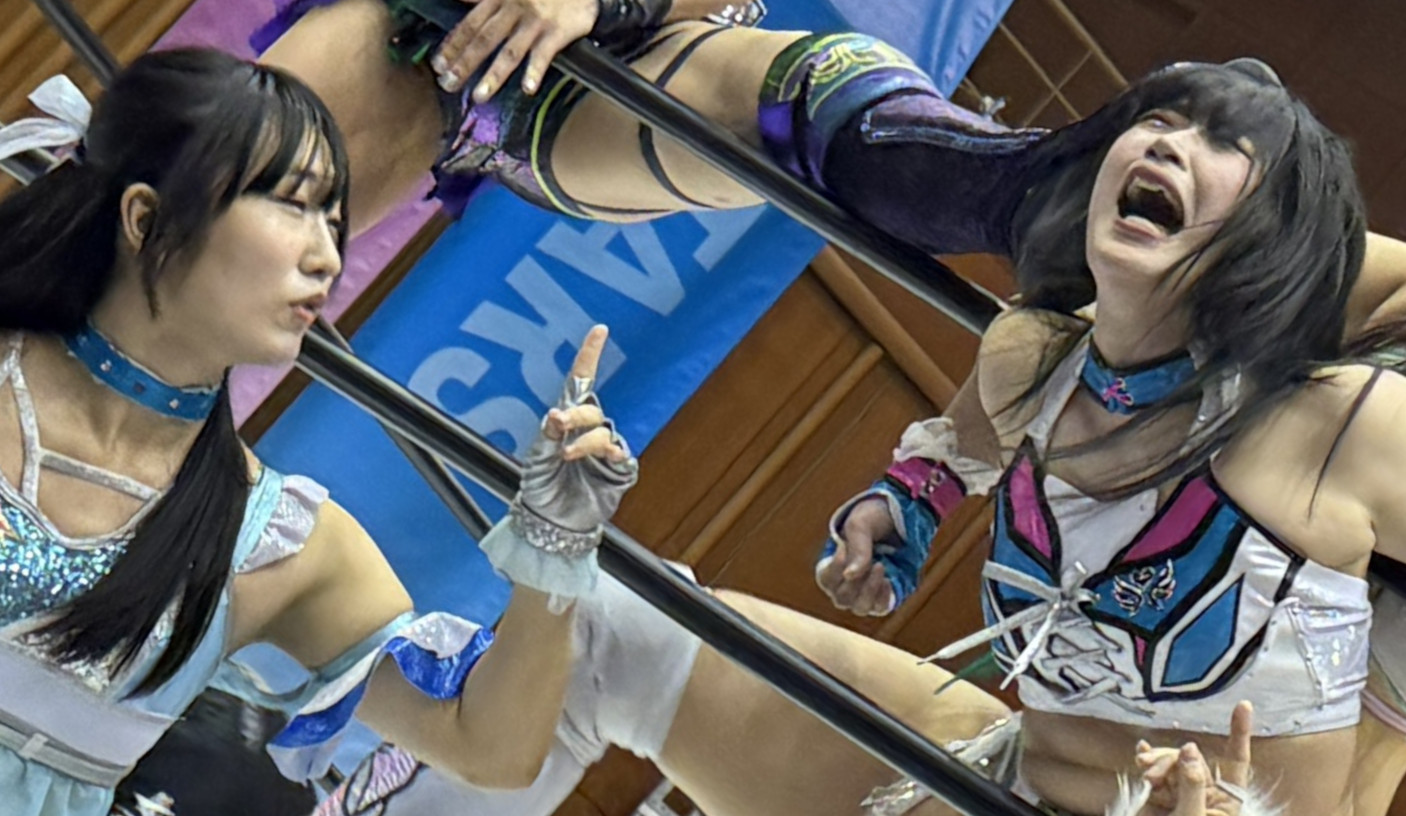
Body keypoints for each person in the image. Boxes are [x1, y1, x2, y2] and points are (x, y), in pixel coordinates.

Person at [0, 49, 640, 816]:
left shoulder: (277, 546)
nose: (326, 257)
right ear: (146, 217)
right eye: (291, 205)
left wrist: (557, 539)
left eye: (334, 221)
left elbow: (490, 748)